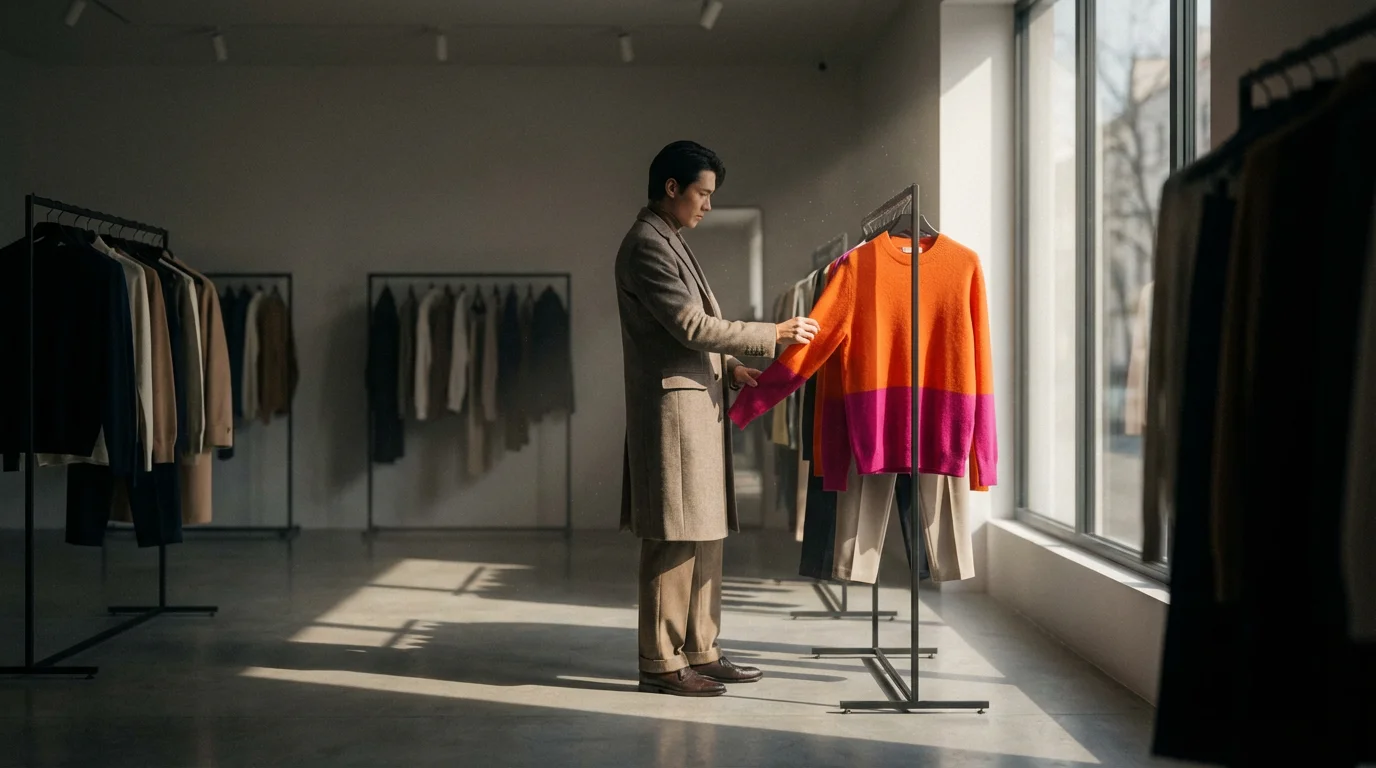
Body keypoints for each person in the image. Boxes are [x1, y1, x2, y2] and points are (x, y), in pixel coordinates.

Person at [614, 140, 819, 697]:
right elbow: (688, 325)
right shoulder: (646, 247)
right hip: (673, 415)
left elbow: (685, 334)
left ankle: (700, 651)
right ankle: (660, 661)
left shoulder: (669, 239)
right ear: (672, 188)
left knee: (705, 534)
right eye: (702, 193)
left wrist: (729, 368)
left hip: (693, 408)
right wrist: (770, 335)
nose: (707, 205)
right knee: (673, 538)